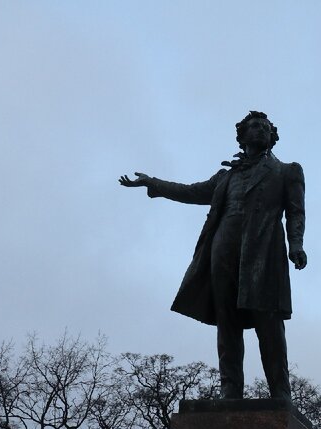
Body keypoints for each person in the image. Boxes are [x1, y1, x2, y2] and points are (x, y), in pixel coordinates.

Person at [119, 111, 307, 400]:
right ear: (242, 136)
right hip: (223, 250)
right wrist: (152, 183)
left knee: (269, 324)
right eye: (253, 126)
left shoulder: (287, 171)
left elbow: (295, 212)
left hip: (263, 251)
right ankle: (230, 390)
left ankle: (280, 392)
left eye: (265, 127)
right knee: (227, 321)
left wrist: (296, 245)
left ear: (272, 137)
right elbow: (191, 192)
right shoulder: (226, 177)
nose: (259, 130)